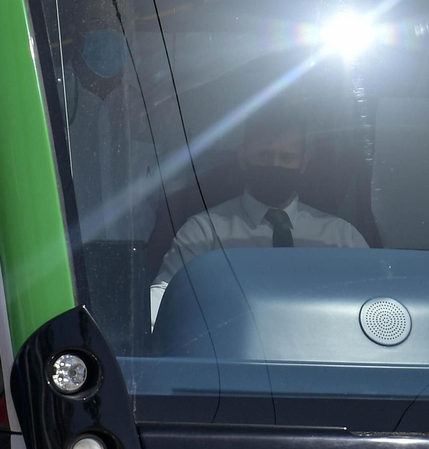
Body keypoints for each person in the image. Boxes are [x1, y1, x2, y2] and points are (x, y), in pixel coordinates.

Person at [151, 108, 369, 319]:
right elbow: (163, 299)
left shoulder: (342, 238)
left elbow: (373, 301)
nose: (275, 166)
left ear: (304, 162)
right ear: (243, 156)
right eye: (264, 156)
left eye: (287, 158)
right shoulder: (203, 232)